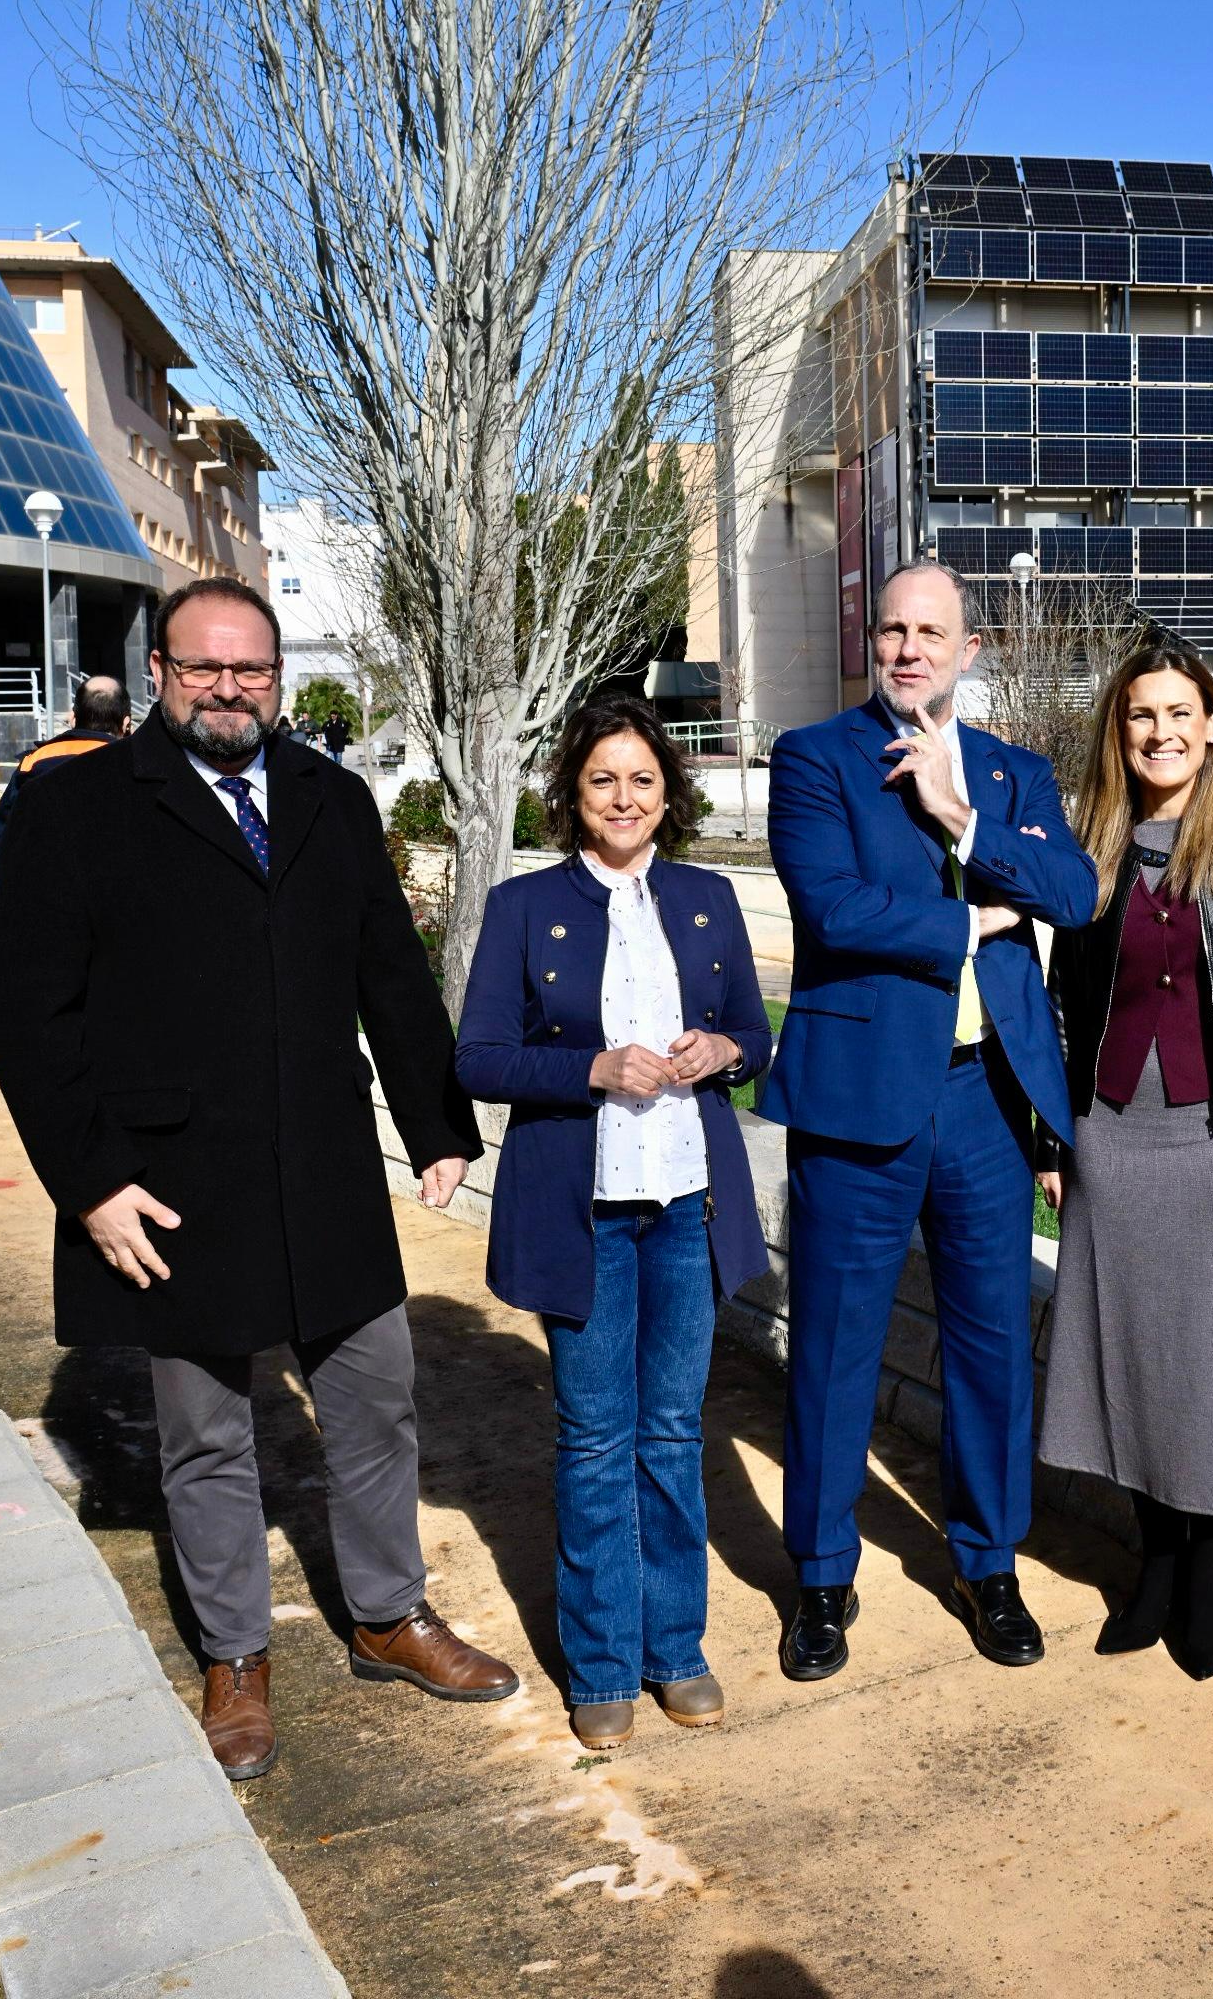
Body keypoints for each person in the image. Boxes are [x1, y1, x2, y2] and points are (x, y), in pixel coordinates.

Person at [0, 577, 506, 1783]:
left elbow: (390, 972)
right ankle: (234, 1654)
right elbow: (25, 1015)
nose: (230, 688)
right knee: (208, 1434)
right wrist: (92, 1183)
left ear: (277, 678)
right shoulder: (80, 808)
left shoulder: (330, 796)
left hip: (323, 1167)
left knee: (376, 1402)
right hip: (168, 1185)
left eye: (253, 670)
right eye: (205, 666)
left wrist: (436, 1122)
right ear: (159, 670)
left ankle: (385, 1614)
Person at [759, 561, 1098, 1681]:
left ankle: (986, 1562)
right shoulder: (816, 759)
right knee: (835, 1345)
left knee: (994, 1344)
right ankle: (819, 1576)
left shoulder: (1014, 772)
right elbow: (834, 909)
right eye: (892, 630)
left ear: (969, 649)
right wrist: (975, 920)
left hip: (987, 1098)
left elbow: (1078, 895)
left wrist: (963, 819)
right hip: (860, 1098)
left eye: (931, 632)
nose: (908, 648)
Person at [455, 699, 773, 1751]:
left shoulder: (706, 898)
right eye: (604, 780)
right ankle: (600, 1664)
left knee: (675, 1432)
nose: (625, 798)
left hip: (687, 1202)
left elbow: (754, 1034)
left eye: (643, 780)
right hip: (580, 1212)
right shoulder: (522, 906)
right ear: (573, 794)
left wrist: (721, 1053)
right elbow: (481, 1057)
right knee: (596, 1441)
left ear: (668, 794)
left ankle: (675, 1649)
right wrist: (593, 1067)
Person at [1038, 645, 1213, 1680]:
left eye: (1177, 712)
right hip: (1113, 1139)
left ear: (1212, 723)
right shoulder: (1091, 848)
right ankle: (1153, 1565)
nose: (1158, 732)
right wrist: (1053, 1134)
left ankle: (1207, 1574)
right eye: (1137, 717)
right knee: (1139, 1366)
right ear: (1118, 734)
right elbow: (1061, 999)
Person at [0, 676, 131, 871]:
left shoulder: (34, 762)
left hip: (42, 887)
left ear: (73, 718)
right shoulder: (133, 763)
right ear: (126, 723)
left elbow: (1, 835)